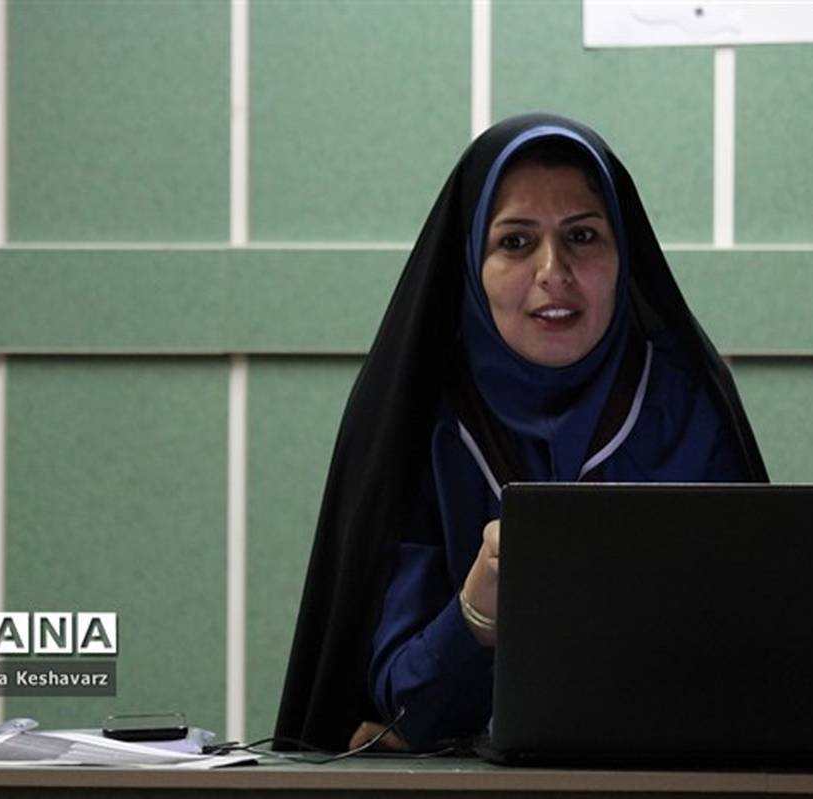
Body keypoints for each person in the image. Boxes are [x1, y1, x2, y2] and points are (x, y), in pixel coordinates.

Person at [274, 113, 768, 752]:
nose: (553, 270)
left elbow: (753, 668)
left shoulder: (686, 404)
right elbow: (397, 710)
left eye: (583, 236)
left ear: (624, 255)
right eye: (515, 242)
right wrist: (475, 616)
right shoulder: (420, 417)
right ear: (470, 264)